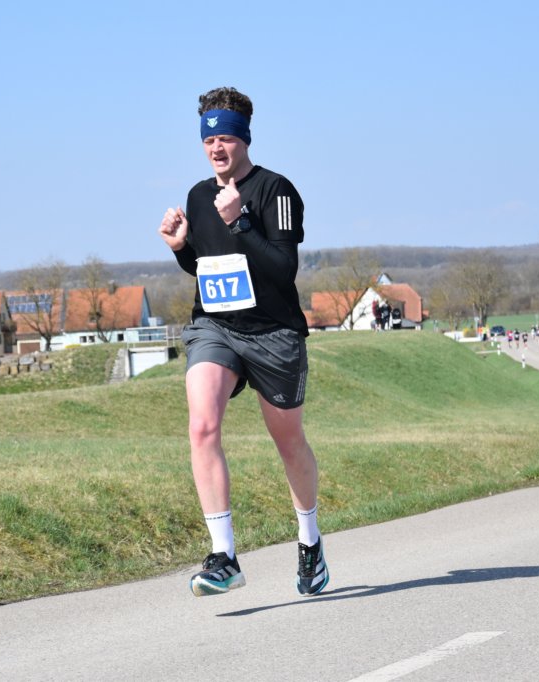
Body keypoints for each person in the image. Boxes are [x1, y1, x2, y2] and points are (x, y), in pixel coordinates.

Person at [158, 86, 328, 598]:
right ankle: (224, 556)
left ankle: (310, 540)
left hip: (273, 333)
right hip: (216, 327)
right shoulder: (197, 196)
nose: (217, 148)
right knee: (202, 425)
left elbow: (282, 269)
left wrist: (240, 221)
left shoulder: (276, 191)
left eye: (227, 138)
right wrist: (181, 249)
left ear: (245, 138)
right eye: (209, 140)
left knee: (288, 442)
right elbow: (206, 268)